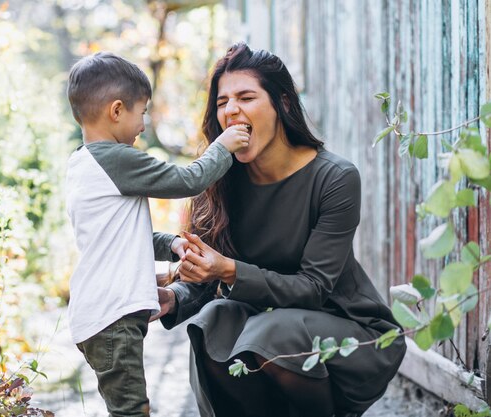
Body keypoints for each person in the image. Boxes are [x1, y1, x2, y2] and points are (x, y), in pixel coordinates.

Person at [155, 43, 406, 417]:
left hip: (350, 335)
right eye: (222, 102)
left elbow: (314, 289)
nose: (231, 110)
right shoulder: (218, 180)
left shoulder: (334, 178)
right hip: (263, 331)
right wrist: (174, 297)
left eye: (246, 97)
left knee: (271, 330)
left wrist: (229, 270)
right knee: (214, 322)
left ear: (283, 103)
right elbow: (208, 278)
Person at [65, 51, 250, 417]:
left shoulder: (82, 163)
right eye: (142, 112)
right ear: (117, 111)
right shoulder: (116, 158)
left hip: (99, 315)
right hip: (112, 318)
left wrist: (172, 244)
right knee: (133, 411)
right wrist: (224, 146)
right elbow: (188, 180)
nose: (144, 125)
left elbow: (123, 233)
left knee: (129, 407)